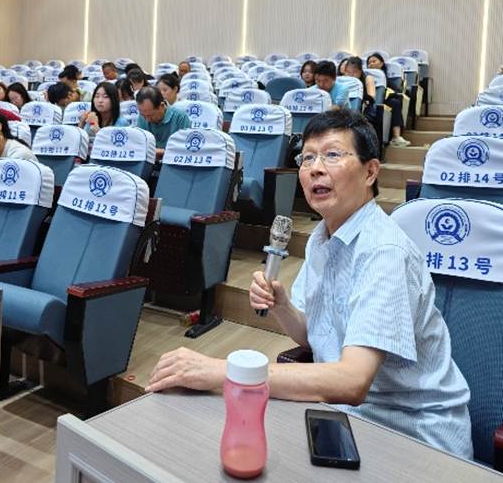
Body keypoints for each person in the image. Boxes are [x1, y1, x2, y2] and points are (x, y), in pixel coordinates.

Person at [147, 109, 474, 460]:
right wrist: (283, 306)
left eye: (332, 155)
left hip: (413, 433)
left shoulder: (384, 251)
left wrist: (220, 370)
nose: (316, 168)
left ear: (370, 171)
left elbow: (352, 381)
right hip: (346, 417)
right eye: (307, 158)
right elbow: (314, 337)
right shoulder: (322, 238)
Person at [366, 53, 409, 147]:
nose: (371, 64)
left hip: (384, 102)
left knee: (395, 102)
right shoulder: (364, 77)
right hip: (368, 103)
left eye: (374, 61)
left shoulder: (386, 79)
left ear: (381, 63)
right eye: (369, 63)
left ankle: (396, 137)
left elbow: (397, 91)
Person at [136, 86, 191, 159]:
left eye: (150, 115)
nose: (147, 120)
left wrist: (161, 152)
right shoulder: (143, 117)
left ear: (161, 106)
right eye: (143, 115)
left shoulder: (180, 117)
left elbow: (185, 149)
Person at [345, 56, 376, 121]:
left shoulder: (368, 78)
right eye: (348, 72)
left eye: (354, 72)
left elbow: (371, 97)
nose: (351, 75)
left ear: (360, 71)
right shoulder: (342, 80)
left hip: (364, 108)